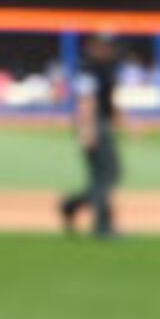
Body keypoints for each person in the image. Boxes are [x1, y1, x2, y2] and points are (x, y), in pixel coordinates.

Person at [57, 33, 122, 240]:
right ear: (95, 46)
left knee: (110, 174)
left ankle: (70, 205)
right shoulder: (88, 69)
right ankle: (103, 226)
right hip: (94, 125)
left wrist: (127, 122)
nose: (110, 49)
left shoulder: (106, 68)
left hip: (102, 124)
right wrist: (87, 131)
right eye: (106, 45)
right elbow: (86, 102)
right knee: (103, 176)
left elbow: (108, 101)